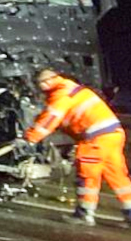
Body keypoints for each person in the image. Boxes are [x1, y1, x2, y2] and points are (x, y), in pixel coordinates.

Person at [21, 69, 131, 227]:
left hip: (95, 139)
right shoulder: (71, 88)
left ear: (47, 81)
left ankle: (84, 214)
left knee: (87, 176)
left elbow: (50, 119)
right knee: (118, 177)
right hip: (113, 135)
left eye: (40, 84)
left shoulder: (61, 95)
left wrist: (30, 138)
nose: (40, 88)